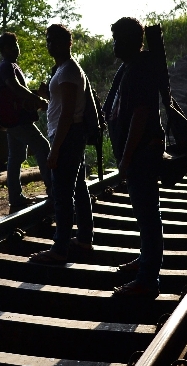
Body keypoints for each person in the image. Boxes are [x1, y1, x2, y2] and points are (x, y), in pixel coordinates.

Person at [105, 17, 165, 297]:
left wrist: (126, 158)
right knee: (144, 214)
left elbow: (140, 115)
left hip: (142, 153)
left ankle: (147, 279)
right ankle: (145, 262)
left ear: (131, 41)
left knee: (148, 214)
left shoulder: (140, 69)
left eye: (118, 38)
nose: (114, 43)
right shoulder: (131, 67)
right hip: (137, 153)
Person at [29, 24, 94, 263]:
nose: (50, 44)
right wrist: (48, 95)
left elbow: (67, 113)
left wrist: (54, 149)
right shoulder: (64, 70)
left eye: (55, 40)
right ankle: (84, 240)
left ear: (68, 43)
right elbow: (64, 103)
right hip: (70, 135)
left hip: (66, 136)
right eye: (48, 40)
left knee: (62, 193)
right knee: (77, 188)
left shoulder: (67, 70)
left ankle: (59, 248)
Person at [0, 31, 52, 213]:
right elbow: (14, 87)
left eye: (16, 45)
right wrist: (38, 100)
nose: (15, 49)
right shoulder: (7, 67)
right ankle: (52, 188)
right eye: (11, 46)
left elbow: (15, 94)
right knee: (42, 147)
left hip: (13, 119)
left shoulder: (11, 66)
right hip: (17, 121)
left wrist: (35, 93)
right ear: (3, 50)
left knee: (16, 158)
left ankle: (15, 198)